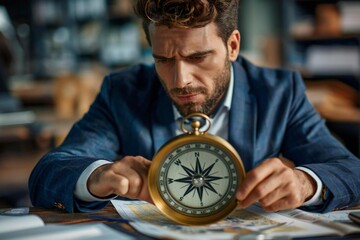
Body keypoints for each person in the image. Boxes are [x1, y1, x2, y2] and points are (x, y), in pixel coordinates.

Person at [29, 0, 360, 214]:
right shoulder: (123, 92)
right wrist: (97, 175)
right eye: (163, 59)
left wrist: (305, 183)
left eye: (197, 57)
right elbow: (50, 172)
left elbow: (350, 170)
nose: (180, 80)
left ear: (232, 46)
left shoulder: (279, 92)